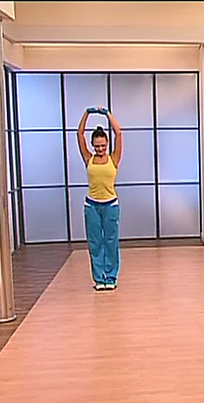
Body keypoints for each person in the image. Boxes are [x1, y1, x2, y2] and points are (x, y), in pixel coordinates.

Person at [76, 106, 123, 291]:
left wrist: (107, 114)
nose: (100, 149)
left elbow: (119, 133)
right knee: (95, 243)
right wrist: (87, 113)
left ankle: (111, 277)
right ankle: (99, 279)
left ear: (107, 144)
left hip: (111, 205)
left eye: (103, 145)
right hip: (92, 206)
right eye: (97, 146)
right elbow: (79, 134)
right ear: (92, 146)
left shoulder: (114, 158)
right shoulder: (88, 158)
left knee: (111, 242)